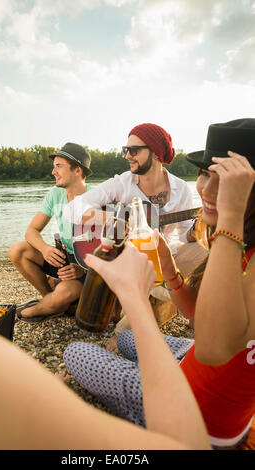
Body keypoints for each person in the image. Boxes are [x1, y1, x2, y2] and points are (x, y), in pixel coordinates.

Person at [63, 118, 255, 450]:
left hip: (193, 417)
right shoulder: (242, 250)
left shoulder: (231, 238)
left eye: (224, 181)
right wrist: (167, 265)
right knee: (125, 341)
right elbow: (197, 311)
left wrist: (132, 294)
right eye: (205, 174)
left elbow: (210, 347)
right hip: (205, 372)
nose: (207, 190)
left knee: (75, 352)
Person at [0, 242, 211, 450]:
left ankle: (39, 312)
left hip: (189, 390)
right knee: (117, 341)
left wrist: (134, 293)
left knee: (77, 351)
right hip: (192, 376)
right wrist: (147, 284)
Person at [64, 123, 202, 349]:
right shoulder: (122, 183)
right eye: (125, 150)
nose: (128, 156)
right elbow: (72, 209)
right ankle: (136, 326)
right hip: (130, 262)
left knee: (208, 258)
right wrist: (112, 220)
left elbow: (183, 233)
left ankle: (198, 317)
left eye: (134, 150)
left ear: (156, 152)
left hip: (166, 258)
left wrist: (194, 232)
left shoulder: (181, 189)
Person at [8, 143, 93, 322]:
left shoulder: (97, 198)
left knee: (65, 292)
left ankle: (48, 304)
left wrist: (83, 270)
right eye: (54, 166)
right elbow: (31, 231)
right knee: (17, 250)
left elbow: (111, 251)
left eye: (58, 166)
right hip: (64, 259)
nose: (53, 172)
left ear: (77, 170)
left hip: (88, 268)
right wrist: (45, 249)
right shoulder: (55, 194)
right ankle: (51, 302)